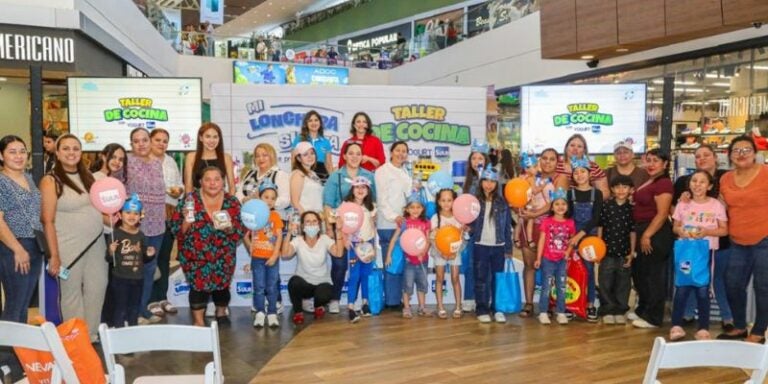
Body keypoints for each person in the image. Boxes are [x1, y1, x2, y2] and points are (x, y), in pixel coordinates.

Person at [40, 134, 107, 342]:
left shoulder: (90, 178)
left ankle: (91, 334)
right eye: (66, 149)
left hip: (96, 244)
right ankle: (75, 338)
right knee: (71, 294)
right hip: (68, 249)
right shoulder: (50, 180)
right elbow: (47, 221)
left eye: (76, 148)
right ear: (57, 153)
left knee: (98, 287)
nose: (71, 153)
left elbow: (102, 210)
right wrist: (54, 255)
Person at [170, 166, 244, 326]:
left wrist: (229, 228)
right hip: (195, 256)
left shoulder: (232, 202)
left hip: (224, 255)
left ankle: (221, 312)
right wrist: (186, 222)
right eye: (208, 179)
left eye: (217, 179)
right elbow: (177, 231)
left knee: (222, 287)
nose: (213, 183)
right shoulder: (189, 201)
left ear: (222, 182)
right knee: (197, 288)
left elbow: (239, 233)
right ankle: (198, 321)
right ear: (200, 182)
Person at [672, 144, 732, 330]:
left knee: (714, 280)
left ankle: (726, 317)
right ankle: (687, 315)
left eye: (706, 155)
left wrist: (708, 230)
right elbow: (676, 214)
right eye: (698, 156)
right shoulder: (684, 183)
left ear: (716, 157)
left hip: (715, 243)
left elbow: (726, 220)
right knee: (688, 280)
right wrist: (681, 224)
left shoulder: (726, 178)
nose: (702, 159)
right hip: (689, 245)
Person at [717, 136, 768, 343]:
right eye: (736, 150)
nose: (741, 154)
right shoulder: (726, 179)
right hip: (737, 239)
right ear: (729, 155)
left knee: (763, 286)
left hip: (764, 238)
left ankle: (759, 330)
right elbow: (721, 207)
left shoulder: (765, 174)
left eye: (746, 149)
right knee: (733, 284)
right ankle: (739, 326)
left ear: (755, 153)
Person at [323, 142, 376, 313]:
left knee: (363, 270)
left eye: (358, 153)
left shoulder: (369, 175)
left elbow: (373, 204)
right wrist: (331, 229)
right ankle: (336, 298)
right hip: (340, 230)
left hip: (364, 236)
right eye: (350, 153)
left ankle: (362, 301)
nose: (354, 156)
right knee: (339, 265)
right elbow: (328, 205)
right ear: (344, 156)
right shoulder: (335, 176)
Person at [0, 136, 43, 323]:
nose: (18, 156)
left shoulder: (28, 177)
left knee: (24, 303)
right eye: (12, 152)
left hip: (34, 244)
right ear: (1, 156)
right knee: (15, 303)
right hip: (14, 247)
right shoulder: (1, 182)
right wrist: (18, 249)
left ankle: (20, 349)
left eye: (22, 151)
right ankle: (8, 350)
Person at [126, 128, 166, 324]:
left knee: (149, 270)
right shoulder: (126, 163)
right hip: (135, 228)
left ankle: (143, 309)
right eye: (136, 141)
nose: (141, 144)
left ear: (150, 142)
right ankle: (132, 313)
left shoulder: (157, 163)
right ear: (131, 144)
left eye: (144, 140)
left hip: (157, 226)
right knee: (133, 271)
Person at [631, 149, 674, 329]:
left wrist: (648, 234)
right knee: (640, 273)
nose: (651, 164)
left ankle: (654, 317)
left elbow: (663, 213)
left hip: (655, 232)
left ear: (665, 164)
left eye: (655, 160)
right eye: (648, 160)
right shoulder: (650, 181)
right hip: (642, 229)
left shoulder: (663, 183)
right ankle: (643, 309)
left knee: (653, 275)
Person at [517, 148, 560, 318]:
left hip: (548, 229)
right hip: (528, 227)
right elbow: (517, 198)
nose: (547, 162)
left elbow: (553, 203)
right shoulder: (525, 180)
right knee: (529, 266)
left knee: (549, 267)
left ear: (557, 162)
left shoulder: (551, 183)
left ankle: (549, 303)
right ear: (539, 161)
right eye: (544, 158)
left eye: (552, 159)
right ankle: (528, 303)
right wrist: (520, 208)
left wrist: (535, 213)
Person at [282, 211, 345, 325]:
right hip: (304, 282)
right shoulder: (298, 240)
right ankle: (298, 312)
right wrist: (289, 233)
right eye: (307, 221)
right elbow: (285, 254)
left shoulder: (325, 239)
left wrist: (338, 231)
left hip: (321, 283)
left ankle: (318, 306)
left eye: (314, 221)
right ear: (302, 225)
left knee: (326, 292)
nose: (311, 224)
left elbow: (339, 253)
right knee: (293, 282)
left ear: (319, 224)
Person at [470, 165, 514, 324]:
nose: (489, 184)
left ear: (497, 184)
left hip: (498, 246)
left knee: (498, 279)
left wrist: (508, 248)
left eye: (492, 181)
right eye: (486, 181)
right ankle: (481, 308)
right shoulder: (475, 201)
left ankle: (498, 308)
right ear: (481, 182)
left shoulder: (503, 202)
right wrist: (467, 229)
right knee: (481, 278)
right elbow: (471, 223)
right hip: (480, 245)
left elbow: (508, 226)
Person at [147, 128, 182, 317]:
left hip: (169, 215)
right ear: (150, 141)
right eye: (158, 140)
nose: (161, 144)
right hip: (151, 216)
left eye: (165, 141)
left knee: (164, 259)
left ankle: (163, 297)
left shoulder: (170, 162)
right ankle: (150, 300)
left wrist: (179, 191)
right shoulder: (143, 162)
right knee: (151, 258)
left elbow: (179, 184)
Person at [108, 194, 157, 328]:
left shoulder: (141, 236)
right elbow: (109, 259)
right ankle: (118, 333)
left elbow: (144, 259)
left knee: (134, 308)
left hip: (137, 278)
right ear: (120, 214)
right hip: (120, 279)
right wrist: (111, 251)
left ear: (140, 216)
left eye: (135, 213)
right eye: (128, 212)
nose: (131, 216)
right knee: (120, 308)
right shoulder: (115, 234)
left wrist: (150, 254)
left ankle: (133, 332)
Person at [375, 141, 412, 308]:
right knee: (390, 264)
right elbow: (381, 200)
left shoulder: (405, 172)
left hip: (404, 225)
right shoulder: (383, 171)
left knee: (400, 264)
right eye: (398, 150)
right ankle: (391, 302)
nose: (401, 154)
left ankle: (398, 299)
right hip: (388, 225)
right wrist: (394, 217)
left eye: (404, 151)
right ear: (391, 152)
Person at [566, 156, 603, 322]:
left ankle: (589, 304)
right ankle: (571, 303)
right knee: (571, 269)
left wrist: (579, 235)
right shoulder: (569, 193)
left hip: (590, 239)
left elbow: (595, 219)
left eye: (583, 171)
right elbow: (567, 217)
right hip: (571, 237)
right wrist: (571, 237)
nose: (579, 175)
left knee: (588, 271)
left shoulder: (598, 193)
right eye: (576, 172)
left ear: (589, 174)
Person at [243, 180, 283, 328]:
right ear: (259, 198)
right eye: (266, 197)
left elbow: (279, 236)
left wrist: (275, 255)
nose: (270, 201)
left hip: (272, 258)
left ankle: (272, 312)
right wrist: (250, 248)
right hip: (257, 258)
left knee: (271, 286)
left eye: (273, 198)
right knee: (259, 286)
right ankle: (260, 312)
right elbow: (245, 234)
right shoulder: (254, 215)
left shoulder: (275, 216)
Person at [597, 175, 636, 325]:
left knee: (623, 283)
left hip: (624, 252)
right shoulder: (606, 206)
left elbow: (633, 232)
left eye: (625, 187)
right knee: (605, 281)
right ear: (612, 189)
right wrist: (599, 247)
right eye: (617, 187)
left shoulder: (631, 208)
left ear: (631, 190)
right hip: (607, 252)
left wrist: (632, 252)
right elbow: (601, 226)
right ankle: (607, 309)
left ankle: (620, 310)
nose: (621, 190)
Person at [386, 191, 431, 319]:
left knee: (422, 284)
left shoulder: (426, 222)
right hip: (408, 261)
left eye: (418, 207)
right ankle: (406, 307)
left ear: (423, 208)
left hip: (423, 260)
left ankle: (422, 307)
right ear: (407, 209)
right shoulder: (404, 222)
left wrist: (424, 251)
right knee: (408, 284)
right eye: (412, 207)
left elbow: (428, 240)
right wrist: (389, 255)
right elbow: (394, 239)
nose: (415, 210)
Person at [535, 188, 574, 325]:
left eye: (563, 204)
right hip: (547, 260)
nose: (560, 207)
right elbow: (541, 240)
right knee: (546, 287)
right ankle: (543, 312)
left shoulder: (570, 223)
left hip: (562, 261)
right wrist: (538, 258)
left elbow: (572, 240)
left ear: (568, 206)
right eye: (557, 204)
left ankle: (561, 312)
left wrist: (568, 251)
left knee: (561, 286)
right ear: (552, 207)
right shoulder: (547, 222)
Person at [461, 139, 491, 313]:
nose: (477, 161)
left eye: (480, 158)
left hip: (489, 230)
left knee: (486, 266)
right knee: (472, 264)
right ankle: (469, 298)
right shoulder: (468, 182)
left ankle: (485, 299)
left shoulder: (492, 180)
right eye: (474, 158)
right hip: (473, 231)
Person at [342, 177, 377, 323]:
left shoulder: (372, 207)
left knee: (366, 275)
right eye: (357, 187)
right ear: (352, 189)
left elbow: (373, 226)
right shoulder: (346, 205)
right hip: (353, 246)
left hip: (368, 245)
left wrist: (374, 245)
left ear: (368, 190)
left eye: (364, 187)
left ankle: (365, 304)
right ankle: (350, 306)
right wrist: (345, 239)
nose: (360, 190)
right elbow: (342, 225)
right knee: (354, 275)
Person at [430, 188, 463, 319]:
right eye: (443, 200)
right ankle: (440, 306)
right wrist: (441, 252)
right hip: (439, 254)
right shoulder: (435, 218)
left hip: (455, 252)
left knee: (455, 277)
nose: (446, 203)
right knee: (439, 278)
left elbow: (461, 238)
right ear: (438, 202)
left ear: (454, 201)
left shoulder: (458, 217)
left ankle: (458, 306)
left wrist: (456, 252)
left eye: (449, 200)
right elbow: (432, 239)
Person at [238, 143, 290, 216]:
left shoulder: (280, 175)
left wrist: (265, 203)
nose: (261, 158)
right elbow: (238, 193)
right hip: (248, 217)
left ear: (272, 156)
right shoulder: (249, 173)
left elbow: (285, 199)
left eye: (265, 155)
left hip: (271, 219)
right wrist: (244, 200)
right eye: (257, 156)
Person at [514, 152, 554, 249]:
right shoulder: (531, 178)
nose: (537, 168)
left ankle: (516, 239)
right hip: (529, 204)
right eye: (535, 166)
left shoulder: (521, 176)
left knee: (520, 221)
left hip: (522, 203)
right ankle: (529, 239)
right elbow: (535, 191)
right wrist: (545, 182)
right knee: (530, 220)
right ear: (527, 168)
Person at [184, 122, 235, 193]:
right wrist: (190, 202)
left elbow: (232, 185)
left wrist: (231, 203)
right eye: (208, 136)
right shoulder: (191, 157)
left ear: (219, 139)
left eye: (215, 137)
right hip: (196, 199)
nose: (211, 141)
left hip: (220, 199)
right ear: (201, 138)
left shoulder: (226, 158)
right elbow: (188, 185)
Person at [555, 134, 609, 199]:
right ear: (566, 148)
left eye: (579, 146)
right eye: (572, 145)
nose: (575, 149)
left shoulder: (593, 167)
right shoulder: (556, 164)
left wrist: (586, 201)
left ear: (584, 150)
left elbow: (605, 193)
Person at [291, 110, 334, 182]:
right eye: (310, 120)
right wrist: (294, 174)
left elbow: (328, 164)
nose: (313, 123)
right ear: (306, 124)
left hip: (321, 174)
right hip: (304, 171)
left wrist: (333, 180)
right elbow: (293, 159)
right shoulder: (299, 138)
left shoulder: (326, 142)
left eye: (316, 120)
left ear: (320, 123)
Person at [290, 142, 324, 215]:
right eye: (305, 154)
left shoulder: (313, 174)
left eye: (312, 153)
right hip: (305, 220)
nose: (310, 157)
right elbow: (295, 202)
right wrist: (306, 218)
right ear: (299, 158)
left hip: (316, 218)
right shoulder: (298, 174)